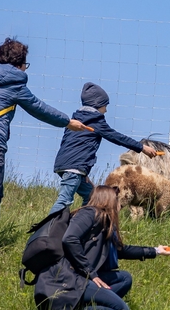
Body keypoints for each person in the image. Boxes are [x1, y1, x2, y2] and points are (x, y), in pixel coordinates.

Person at [0, 37, 90, 255]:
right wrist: (67, 122)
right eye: (26, 64)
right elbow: (39, 108)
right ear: (19, 64)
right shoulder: (15, 83)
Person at [34, 185, 170, 310]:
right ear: (107, 200)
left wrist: (156, 250)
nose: (119, 205)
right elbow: (70, 239)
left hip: (81, 276)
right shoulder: (89, 213)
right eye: (117, 200)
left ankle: (84, 305)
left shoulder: (103, 221)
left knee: (125, 278)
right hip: (69, 279)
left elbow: (120, 250)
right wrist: (91, 273)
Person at [48, 82, 157, 214]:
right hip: (74, 167)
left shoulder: (75, 120)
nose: (106, 110)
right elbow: (117, 137)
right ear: (98, 104)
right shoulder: (96, 121)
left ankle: (79, 224)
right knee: (64, 200)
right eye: (105, 105)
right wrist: (141, 147)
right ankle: (48, 229)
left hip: (66, 164)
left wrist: (84, 172)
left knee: (91, 197)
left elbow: (70, 144)